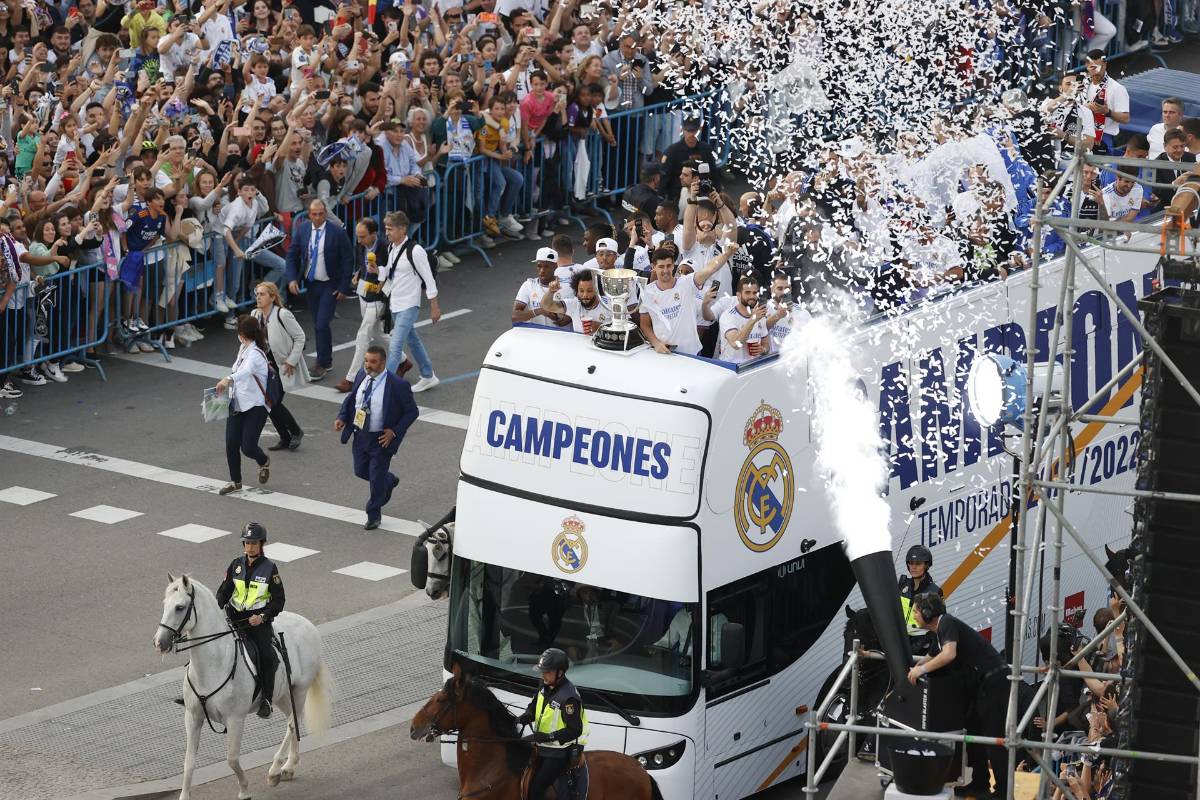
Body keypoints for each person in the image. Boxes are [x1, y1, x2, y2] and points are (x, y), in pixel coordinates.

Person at [908, 592, 1008, 800]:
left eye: (917, 611)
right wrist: (913, 668)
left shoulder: (947, 623)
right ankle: (980, 784)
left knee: (991, 736)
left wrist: (922, 670)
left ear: (928, 613)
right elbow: (931, 655)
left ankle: (1003, 793)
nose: (914, 616)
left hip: (993, 682)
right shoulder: (938, 632)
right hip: (979, 685)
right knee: (973, 732)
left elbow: (949, 654)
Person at [334, 345, 420, 530]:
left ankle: (373, 514)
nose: (368, 365)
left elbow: (412, 412)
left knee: (375, 478)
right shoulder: (361, 376)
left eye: (373, 362)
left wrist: (394, 431)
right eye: (366, 361)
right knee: (360, 471)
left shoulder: (397, 385)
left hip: (381, 440)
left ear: (383, 363)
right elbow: (351, 399)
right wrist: (342, 417)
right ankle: (387, 480)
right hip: (360, 435)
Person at [214, 522, 284, 719]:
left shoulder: (270, 569)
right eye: (247, 543)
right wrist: (215, 607)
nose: (250, 547)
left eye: (254, 543)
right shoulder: (236, 565)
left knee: (268, 657)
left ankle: (267, 700)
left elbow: (279, 601)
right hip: (234, 619)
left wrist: (262, 617)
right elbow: (224, 591)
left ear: (262, 544)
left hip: (256, 623)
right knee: (209, 645)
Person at [285, 199, 353, 381]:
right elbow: (292, 254)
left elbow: (348, 259)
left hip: (330, 283)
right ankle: (327, 359)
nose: (317, 218)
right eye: (314, 214)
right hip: (311, 283)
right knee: (318, 323)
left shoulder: (337, 232)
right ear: (309, 214)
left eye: (321, 214)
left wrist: (344, 286)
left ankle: (321, 363)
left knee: (322, 323)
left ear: (325, 213)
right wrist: (292, 278)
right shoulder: (304, 229)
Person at [377, 211, 441, 392]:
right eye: (386, 229)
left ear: (402, 229)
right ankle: (428, 375)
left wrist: (434, 307)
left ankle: (384, 386)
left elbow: (429, 280)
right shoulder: (391, 248)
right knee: (413, 341)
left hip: (410, 304)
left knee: (396, 345)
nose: (387, 233)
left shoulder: (416, 251)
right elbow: (389, 273)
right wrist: (377, 270)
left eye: (390, 229)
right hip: (395, 304)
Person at [516, 648, 589, 800]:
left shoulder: (569, 698)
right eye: (543, 671)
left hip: (559, 753)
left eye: (548, 672)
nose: (543, 675)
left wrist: (548, 736)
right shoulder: (545, 685)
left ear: (560, 673)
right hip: (542, 745)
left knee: (536, 790)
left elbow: (575, 730)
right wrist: (526, 716)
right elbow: (535, 705)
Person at [640, 243, 737, 356]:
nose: (665, 270)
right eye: (661, 266)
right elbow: (645, 325)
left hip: (691, 353)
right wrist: (656, 343)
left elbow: (710, 268)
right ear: (653, 267)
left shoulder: (686, 282)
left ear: (673, 266)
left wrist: (727, 254)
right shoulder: (647, 292)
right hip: (664, 353)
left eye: (668, 266)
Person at [214, 315, 273, 496]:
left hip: (256, 406)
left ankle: (263, 461)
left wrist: (228, 379)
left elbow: (246, 371)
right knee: (231, 443)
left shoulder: (255, 354)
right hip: (238, 403)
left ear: (242, 334)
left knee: (248, 447)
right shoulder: (244, 348)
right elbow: (239, 370)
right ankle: (235, 481)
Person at [250, 282, 307, 452]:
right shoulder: (255, 314)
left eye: (262, 294)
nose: (258, 297)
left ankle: (296, 431)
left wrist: (291, 360)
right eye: (257, 294)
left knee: (272, 402)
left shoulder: (283, 314)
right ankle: (285, 437)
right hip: (264, 365)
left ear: (273, 297)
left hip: (281, 364)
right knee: (268, 402)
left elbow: (300, 337)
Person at [339, 218, 392, 393]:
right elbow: (361, 262)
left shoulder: (385, 247)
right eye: (358, 236)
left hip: (377, 296)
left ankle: (351, 378)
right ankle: (403, 361)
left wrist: (381, 287)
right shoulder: (361, 244)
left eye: (362, 237)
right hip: (363, 290)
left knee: (363, 334)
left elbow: (390, 271)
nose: (359, 240)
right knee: (376, 331)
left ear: (374, 234)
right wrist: (359, 273)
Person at [1081, 50, 1130, 155]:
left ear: (1105, 65)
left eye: (1100, 67)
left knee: (1098, 171)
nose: (1097, 71)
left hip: (1103, 138)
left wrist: (1107, 112)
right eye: (1093, 67)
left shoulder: (1117, 88)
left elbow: (1125, 118)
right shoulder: (1081, 85)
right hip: (1080, 135)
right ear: (1087, 66)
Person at [540, 270, 614, 335]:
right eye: (581, 291)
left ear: (598, 291)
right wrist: (551, 291)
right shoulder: (574, 304)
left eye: (589, 291)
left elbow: (623, 329)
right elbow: (547, 306)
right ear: (577, 291)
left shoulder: (609, 305)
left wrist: (600, 327)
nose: (585, 295)